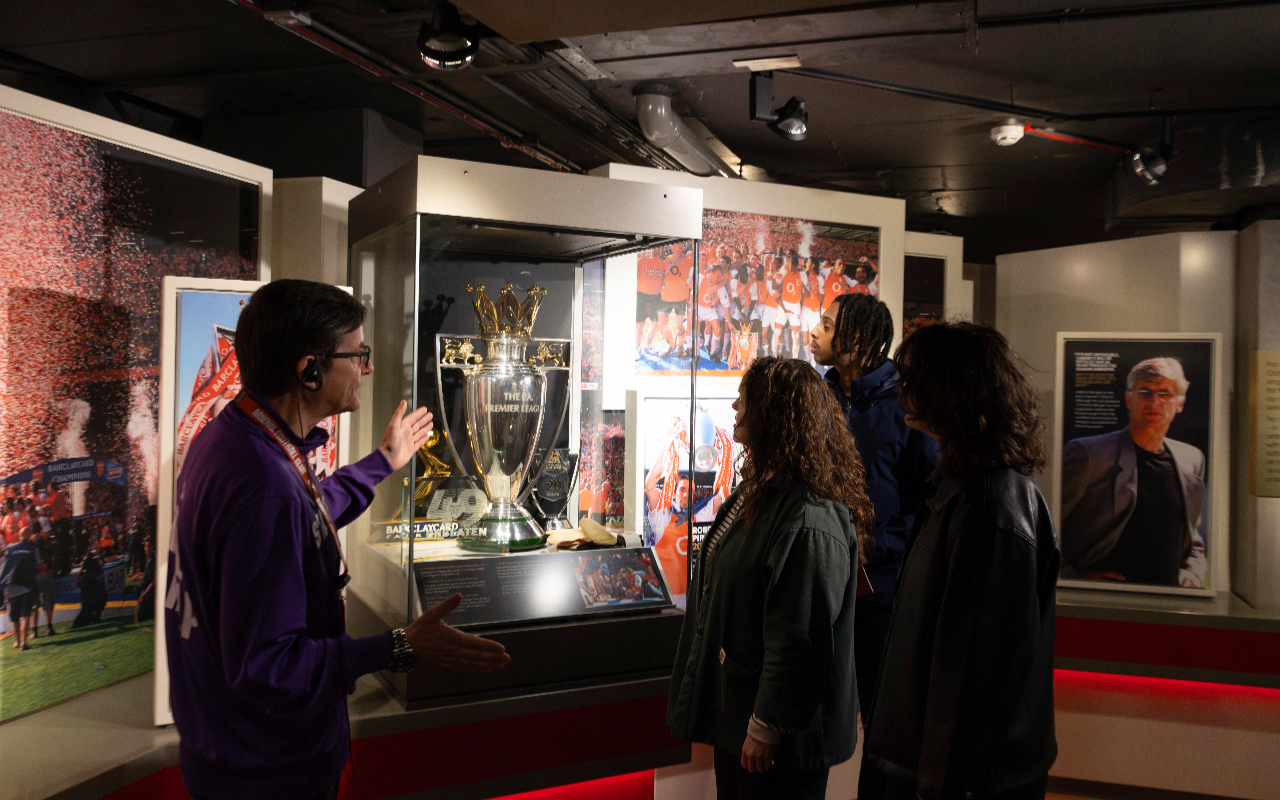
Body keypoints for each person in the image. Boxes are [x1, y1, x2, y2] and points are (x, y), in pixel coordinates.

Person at [165, 280, 509, 800]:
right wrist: (398, 647)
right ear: (310, 369)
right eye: (358, 354)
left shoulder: (234, 439)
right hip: (267, 774)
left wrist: (382, 463)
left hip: (233, 755)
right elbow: (267, 669)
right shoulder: (264, 485)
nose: (367, 368)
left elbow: (304, 512)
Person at [859, 322, 1058, 800]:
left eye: (916, 378)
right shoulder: (961, 488)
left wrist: (938, 781)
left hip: (964, 779)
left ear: (955, 388)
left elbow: (976, 674)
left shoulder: (993, 505)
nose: (903, 390)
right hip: (929, 766)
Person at [668, 357, 874, 800]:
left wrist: (767, 724)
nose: (735, 408)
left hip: (778, 738)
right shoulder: (762, 489)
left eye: (744, 400)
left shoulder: (808, 516)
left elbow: (799, 634)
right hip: (742, 716)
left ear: (773, 413)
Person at [807, 294, 938, 717]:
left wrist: (878, 544)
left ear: (858, 337)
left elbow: (930, 498)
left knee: (882, 712)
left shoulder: (907, 402)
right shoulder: (818, 398)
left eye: (826, 325)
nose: (814, 332)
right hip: (822, 581)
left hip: (881, 587)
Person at [1060, 357, 1206, 587]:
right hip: (1105, 603)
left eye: (1165, 393)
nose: (1154, 400)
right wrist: (1069, 576)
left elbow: (1192, 537)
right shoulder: (1089, 453)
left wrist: (1193, 572)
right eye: (1145, 392)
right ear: (1129, 399)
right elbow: (1046, 523)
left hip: (1169, 600)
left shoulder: (1192, 459)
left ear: (1180, 402)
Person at [1, 526, 41, 649]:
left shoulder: (10, 549)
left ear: (18, 535)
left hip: (11, 588)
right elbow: (39, 565)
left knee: (15, 617)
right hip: (27, 586)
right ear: (29, 535)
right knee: (25, 615)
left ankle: (17, 640)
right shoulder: (32, 548)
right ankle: (24, 642)